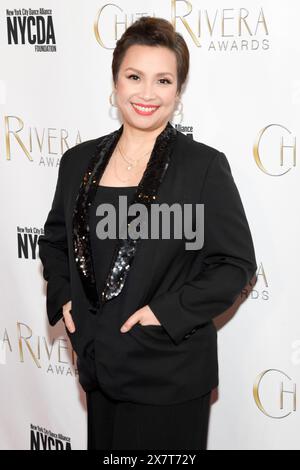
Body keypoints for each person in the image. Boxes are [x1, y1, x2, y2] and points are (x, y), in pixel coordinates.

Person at [38, 16, 257, 450]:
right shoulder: (77, 162)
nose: (146, 93)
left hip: (169, 373)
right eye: (134, 76)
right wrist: (65, 299)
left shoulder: (202, 167)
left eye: (163, 80)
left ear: (178, 92)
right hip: (99, 368)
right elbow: (55, 243)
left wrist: (164, 314)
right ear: (116, 81)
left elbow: (234, 264)